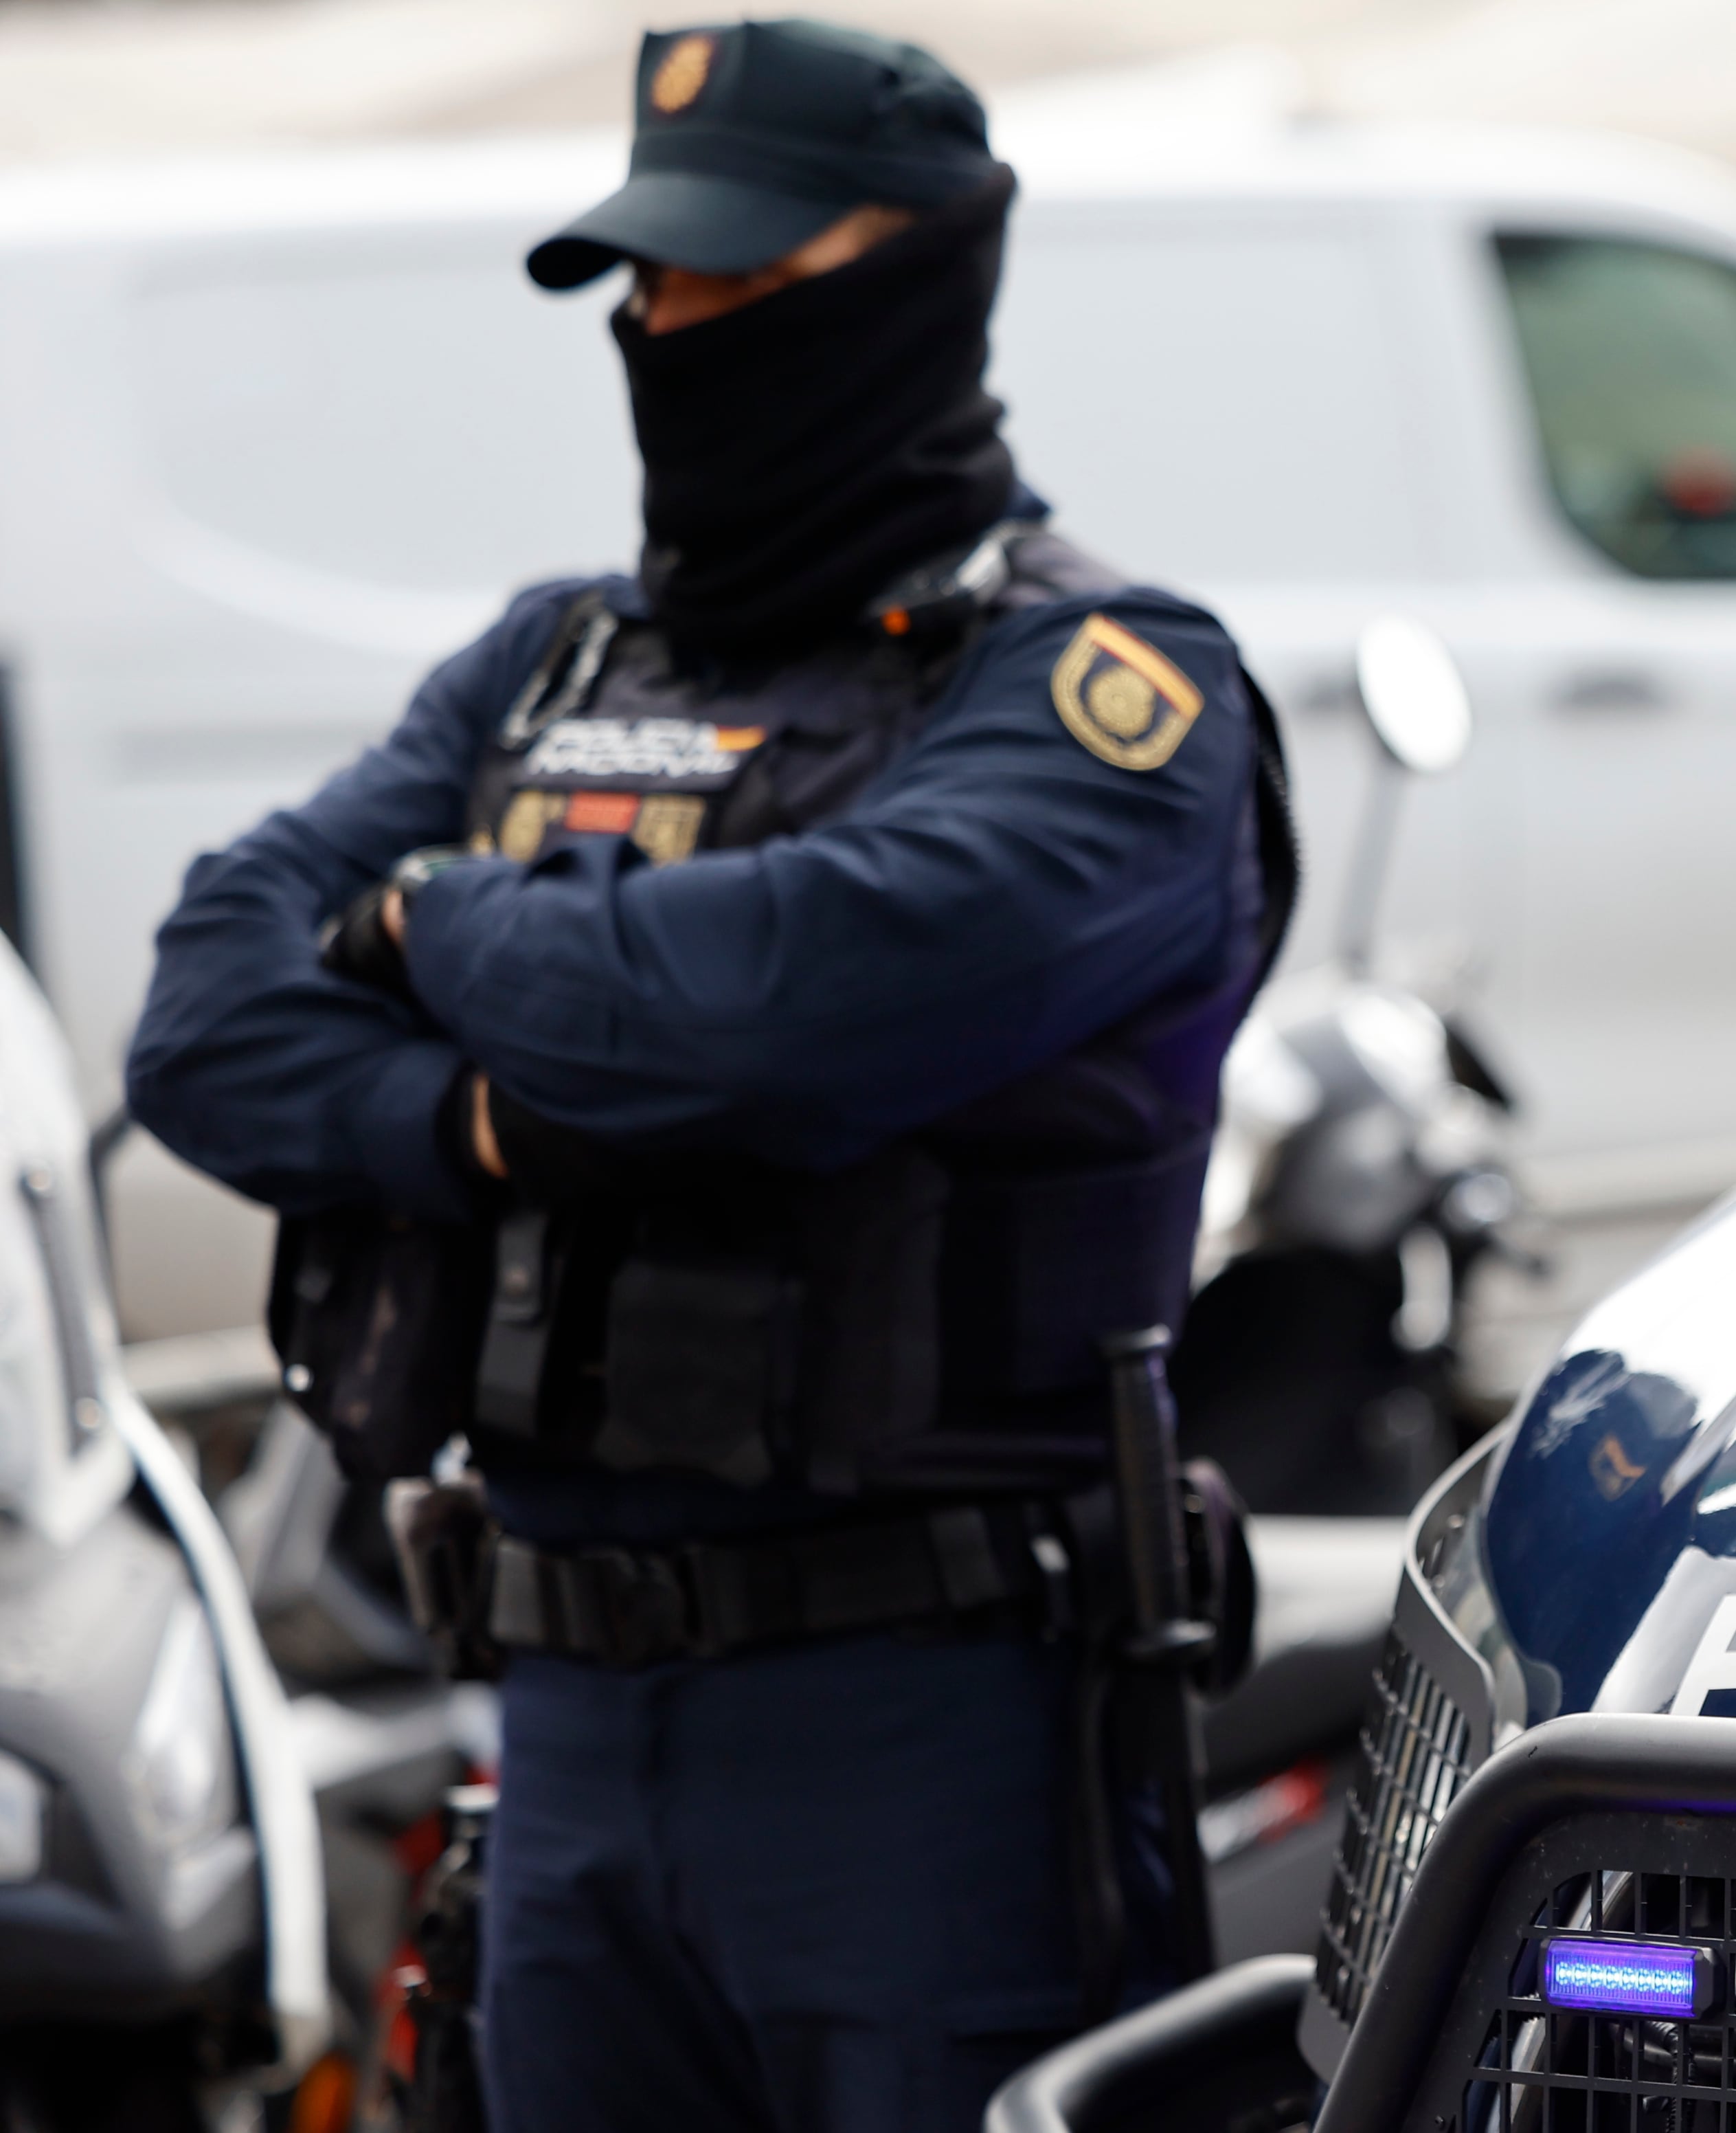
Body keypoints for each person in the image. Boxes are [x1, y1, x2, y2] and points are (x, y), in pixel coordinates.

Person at [125, 20, 1291, 2127]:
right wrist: (466, 1120)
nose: (679, 327)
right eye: (654, 288)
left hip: (926, 1740)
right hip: (561, 1727)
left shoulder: (1109, 698)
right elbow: (205, 1009)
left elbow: (778, 1009)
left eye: (749, 285)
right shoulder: (552, 661)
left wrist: (431, 924)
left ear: (928, 273)